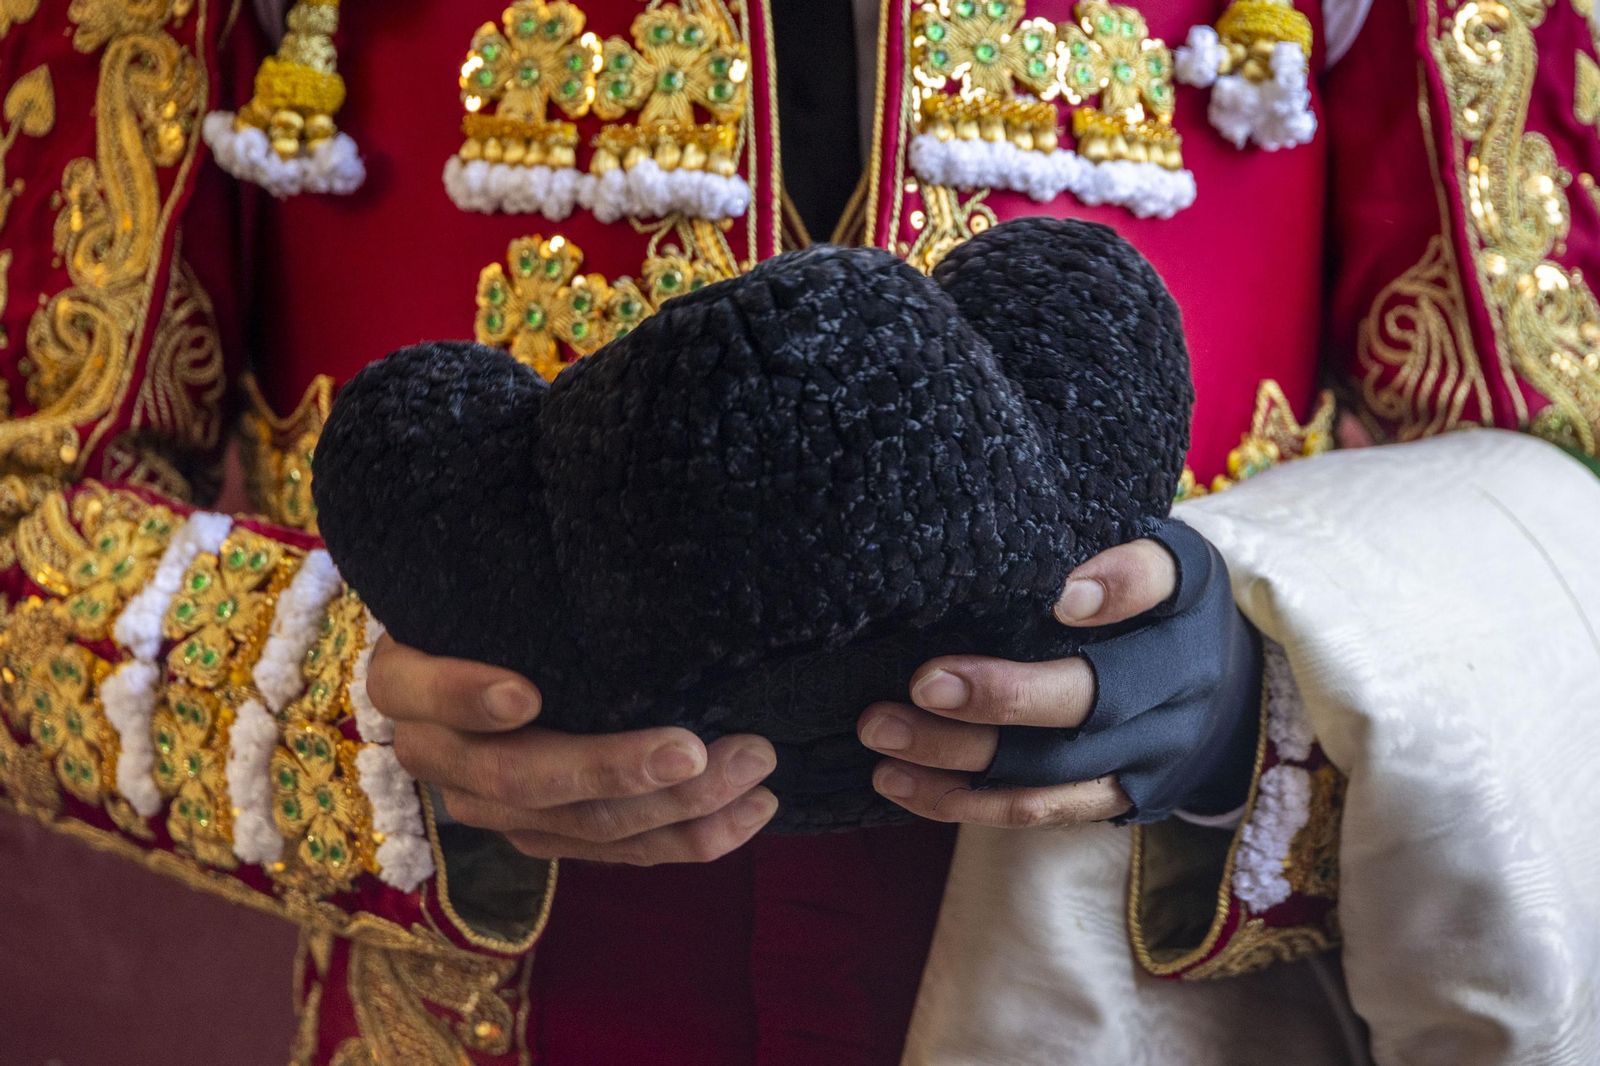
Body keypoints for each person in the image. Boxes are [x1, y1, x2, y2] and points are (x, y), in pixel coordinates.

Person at [1, 0, 1598, 1062]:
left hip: (1131, 983)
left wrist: (1274, 699)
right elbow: (25, 512)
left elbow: (1558, 494)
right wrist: (365, 706)